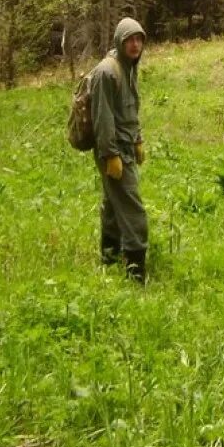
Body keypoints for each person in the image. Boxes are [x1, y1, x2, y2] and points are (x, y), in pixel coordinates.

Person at [90, 17, 149, 282]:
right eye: (130, 40)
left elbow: (129, 110)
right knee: (133, 209)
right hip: (113, 151)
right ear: (119, 41)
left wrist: (137, 139)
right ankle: (136, 271)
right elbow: (102, 118)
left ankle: (109, 256)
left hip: (125, 145)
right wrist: (110, 155)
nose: (135, 45)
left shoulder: (130, 67)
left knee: (114, 205)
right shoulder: (107, 72)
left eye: (139, 39)